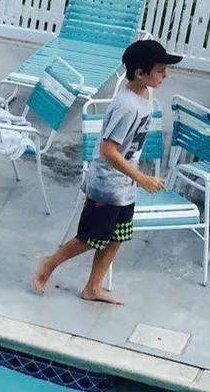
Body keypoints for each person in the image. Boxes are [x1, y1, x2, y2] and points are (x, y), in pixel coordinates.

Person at [32, 38, 180, 305]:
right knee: (91, 238)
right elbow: (108, 151)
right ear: (140, 73)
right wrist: (142, 178)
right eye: (160, 70)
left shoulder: (142, 94)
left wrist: (135, 178)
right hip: (108, 184)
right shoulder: (126, 105)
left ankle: (92, 287)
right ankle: (48, 263)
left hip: (125, 184)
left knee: (117, 236)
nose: (165, 75)